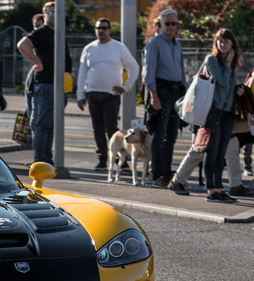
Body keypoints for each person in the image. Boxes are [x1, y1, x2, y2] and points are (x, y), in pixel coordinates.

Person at [76, 17, 140, 171]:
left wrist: (126, 86)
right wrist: (80, 95)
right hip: (93, 93)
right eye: (99, 28)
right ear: (95, 30)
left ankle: (122, 161)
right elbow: (82, 72)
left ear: (109, 30)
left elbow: (134, 66)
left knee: (111, 129)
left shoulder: (118, 47)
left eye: (104, 28)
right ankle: (102, 160)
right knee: (97, 129)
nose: (101, 31)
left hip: (111, 94)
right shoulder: (89, 48)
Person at [17, 1, 72, 166]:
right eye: (50, 12)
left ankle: (46, 160)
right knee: (41, 124)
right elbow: (22, 45)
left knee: (49, 125)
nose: (54, 15)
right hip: (46, 84)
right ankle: (40, 160)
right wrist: (37, 62)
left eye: (57, 12)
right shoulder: (42, 32)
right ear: (44, 14)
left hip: (58, 85)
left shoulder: (59, 33)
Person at [143, 9, 188, 188]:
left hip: (176, 91)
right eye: (167, 24)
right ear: (161, 25)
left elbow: (182, 71)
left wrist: (184, 94)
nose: (170, 27)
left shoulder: (177, 45)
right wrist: (153, 95)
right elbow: (149, 71)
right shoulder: (154, 43)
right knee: (160, 134)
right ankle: (158, 173)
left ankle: (167, 170)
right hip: (161, 90)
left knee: (172, 135)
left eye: (173, 23)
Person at [201, 28, 244, 203]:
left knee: (220, 153)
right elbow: (222, 81)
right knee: (211, 151)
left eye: (227, 41)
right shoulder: (211, 60)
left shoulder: (232, 63)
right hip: (213, 111)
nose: (223, 44)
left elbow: (229, 87)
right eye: (220, 41)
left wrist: (239, 90)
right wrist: (228, 65)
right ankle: (211, 189)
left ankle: (219, 188)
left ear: (233, 44)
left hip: (226, 113)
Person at [24, 12, 46, 123]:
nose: (36, 29)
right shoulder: (34, 39)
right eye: (35, 26)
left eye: (39, 26)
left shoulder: (45, 38)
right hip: (32, 82)